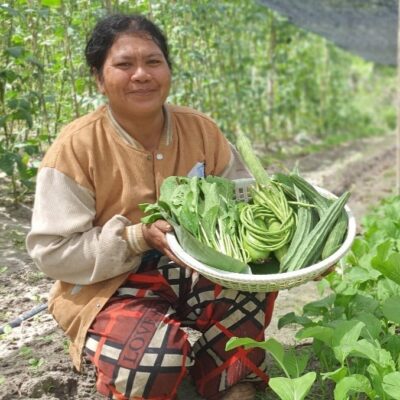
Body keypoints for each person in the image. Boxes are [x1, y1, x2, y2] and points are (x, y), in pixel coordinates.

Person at [26, 13, 278, 400]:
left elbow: (244, 205)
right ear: (98, 77)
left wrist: (295, 243)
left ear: (168, 70)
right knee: (152, 363)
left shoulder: (201, 130)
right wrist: (134, 238)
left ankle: (232, 381)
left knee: (254, 279)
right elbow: (53, 253)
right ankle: (151, 354)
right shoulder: (76, 146)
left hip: (195, 271)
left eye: (153, 62)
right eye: (124, 64)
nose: (141, 74)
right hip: (110, 285)